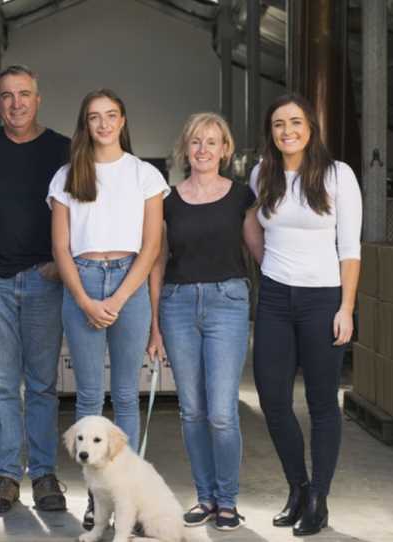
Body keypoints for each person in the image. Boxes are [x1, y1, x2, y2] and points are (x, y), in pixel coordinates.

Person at [48, 89, 169, 530]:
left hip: (129, 282)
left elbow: (153, 245)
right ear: (85, 124)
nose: (103, 124)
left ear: (122, 121)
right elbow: (60, 246)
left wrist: (118, 298)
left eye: (111, 115)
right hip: (82, 278)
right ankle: (96, 501)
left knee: (124, 395)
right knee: (87, 396)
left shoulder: (145, 175)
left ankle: (128, 500)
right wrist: (83, 299)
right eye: (94, 117)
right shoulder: (66, 176)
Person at [247, 93, 361, 537]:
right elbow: (253, 225)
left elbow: (350, 250)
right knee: (273, 400)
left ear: (310, 129)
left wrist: (346, 308)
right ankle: (297, 487)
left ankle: (319, 498)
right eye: (278, 124)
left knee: (320, 403)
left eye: (295, 122)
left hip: (323, 299)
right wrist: (265, 264)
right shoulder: (263, 174)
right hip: (274, 298)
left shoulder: (338, 176)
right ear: (270, 132)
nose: (287, 130)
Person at [0, 65, 70, 515]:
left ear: (38, 99)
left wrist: (62, 262)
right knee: (2, 385)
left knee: (42, 386)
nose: (16, 103)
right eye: (7, 96)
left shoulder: (64, 150)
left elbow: (87, 206)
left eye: (24, 94)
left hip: (46, 279)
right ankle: (6, 476)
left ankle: (44, 475)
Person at [146, 113, 255, 531]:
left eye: (212, 142)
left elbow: (260, 252)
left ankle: (227, 500)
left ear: (225, 149)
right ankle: (205, 496)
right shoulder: (168, 200)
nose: (204, 149)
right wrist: (154, 324)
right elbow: (158, 260)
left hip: (228, 302)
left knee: (222, 412)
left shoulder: (242, 197)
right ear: (185, 149)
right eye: (196, 142)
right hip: (176, 305)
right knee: (191, 410)